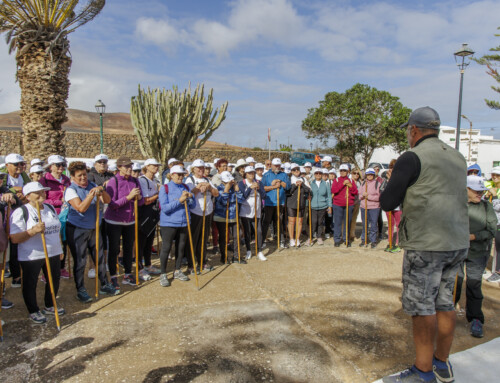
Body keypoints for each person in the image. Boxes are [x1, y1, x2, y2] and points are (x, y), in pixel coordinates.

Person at [380, 107, 469, 383]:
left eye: (408, 131)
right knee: (445, 303)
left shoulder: (412, 157)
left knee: (422, 307)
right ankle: (442, 364)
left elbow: (387, 202)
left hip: (427, 244)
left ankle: (422, 371)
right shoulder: (457, 157)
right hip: (456, 241)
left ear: (414, 130)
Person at [9, 182, 65, 324]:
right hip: (31, 255)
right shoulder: (22, 212)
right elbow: (14, 238)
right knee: (30, 283)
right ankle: (33, 310)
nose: (42, 194)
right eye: (38, 192)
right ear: (28, 196)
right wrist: (32, 231)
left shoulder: (50, 208)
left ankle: (50, 305)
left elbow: (56, 229)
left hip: (53, 252)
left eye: (43, 191)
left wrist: (60, 248)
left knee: (54, 280)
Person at [64, 162, 116, 301]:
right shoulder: (71, 190)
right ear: (73, 177)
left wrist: (102, 191)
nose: (83, 178)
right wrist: (91, 195)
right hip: (77, 229)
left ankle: (105, 284)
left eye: (84, 175)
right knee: (80, 261)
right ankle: (80, 289)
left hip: (94, 228)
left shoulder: (92, 185)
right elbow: (81, 208)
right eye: (79, 176)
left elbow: (107, 200)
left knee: (99, 257)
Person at [454, 175, 497, 338]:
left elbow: (492, 230)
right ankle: (447, 315)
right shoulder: (455, 206)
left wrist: (474, 237)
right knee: (454, 283)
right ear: (466, 190)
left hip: (478, 253)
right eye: (476, 191)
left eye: (482, 191)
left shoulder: (486, 207)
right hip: (457, 251)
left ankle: (476, 319)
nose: (480, 193)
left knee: (473, 284)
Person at [104, 156, 144, 290]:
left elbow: (141, 201)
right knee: (114, 249)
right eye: (126, 166)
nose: (129, 168)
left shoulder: (135, 181)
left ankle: (127, 274)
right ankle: (114, 276)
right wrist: (129, 197)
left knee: (128, 249)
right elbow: (112, 204)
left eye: (130, 166)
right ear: (119, 167)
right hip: (113, 221)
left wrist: (138, 198)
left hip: (130, 220)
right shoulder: (112, 181)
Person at [158, 165, 196, 287]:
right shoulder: (165, 188)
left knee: (181, 248)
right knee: (166, 248)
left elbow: (193, 206)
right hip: (168, 223)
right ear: (172, 175)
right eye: (178, 174)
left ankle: (177, 270)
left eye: (182, 175)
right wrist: (180, 200)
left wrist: (191, 197)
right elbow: (165, 208)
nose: (181, 177)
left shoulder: (185, 187)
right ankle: (163, 273)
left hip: (184, 222)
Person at [39, 155, 71, 279]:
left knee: (63, 242)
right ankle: (46, 272)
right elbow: (42, 199)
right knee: (50, 243)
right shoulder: (44, 180)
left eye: (62, 164)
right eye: (58, 165)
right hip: (51, 215)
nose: (61, 167)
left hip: (66, 215)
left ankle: (61, 268)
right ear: (51, 166)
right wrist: (60, 202)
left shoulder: (66, 179)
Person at [184, 159, 219, 273]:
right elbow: (189, 194)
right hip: (195, 212)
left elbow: (216, 193)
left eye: (202, 167)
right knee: (193, 239)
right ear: (193, 169)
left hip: (207, 212)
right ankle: (191, 264)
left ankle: (202, 262)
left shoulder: (207, 180)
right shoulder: (190, 180)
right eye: (198, 168)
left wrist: (209, 187)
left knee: (204, 238)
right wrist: (198, 187)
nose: (201, 169)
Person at [137, 159, 162, 281]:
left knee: (149, 241)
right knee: (141, 242)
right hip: (144, 214)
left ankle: (148, 264)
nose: (156, 167)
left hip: (153, 214)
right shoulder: (142, 180)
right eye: (154, 165)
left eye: (157, 166)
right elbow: (145, 200)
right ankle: (139, 269)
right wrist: (158, 194)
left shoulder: (155, 180)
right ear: (147, 166)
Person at [213, 171, 245, 264]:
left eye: (230, 181)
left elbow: (240, 200)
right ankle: (224, 256)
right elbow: (222, 201)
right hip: (221, 216)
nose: (229, 183)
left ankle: (236, 256)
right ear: (222, 181)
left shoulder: (234, 188)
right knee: (223, 237)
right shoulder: (218, 188)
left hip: (233, 215)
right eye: (226, 182)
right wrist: (226, 190)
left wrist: (237, 190)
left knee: (237, 235)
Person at [238, 166, 267, 261]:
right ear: (245, 174)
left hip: (257, 210)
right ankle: (248, 250)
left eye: (252, 173)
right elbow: (242, 196)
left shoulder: (259, 182)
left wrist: (258, 189)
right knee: (247, 232)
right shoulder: (241, 183)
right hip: (245, 211)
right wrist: (250, 188)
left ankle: (259, 251)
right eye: (249, 173)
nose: (251, 174)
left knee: (258, 231)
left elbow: (264, 196)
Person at [261, 158, 291, 249]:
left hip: (280, 202)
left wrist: (281, 182)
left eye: (279, 165)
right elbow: (262, 188)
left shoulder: (284, 175)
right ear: (271, 166)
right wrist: (273, 186)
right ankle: (261, 242)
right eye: (275, 165)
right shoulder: (266, 175)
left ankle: (282, 241)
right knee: (266, 222)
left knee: (279, 222)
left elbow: (288, 187)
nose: (277, 167)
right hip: (269, 203)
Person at [331, 164, 358, 247]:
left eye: (344, 170)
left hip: (348, 204)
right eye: (341, 170)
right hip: (338, 204)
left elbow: (355, 192)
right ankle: (337, 239)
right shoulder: (336, 180)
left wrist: (350, 186)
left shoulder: (351, 180)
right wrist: (343, 184)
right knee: (338, 223)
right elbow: (334, 190)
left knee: (347, 222)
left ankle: (346, 239)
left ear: (348, 171)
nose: (342, 172)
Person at [286, 164, 311, 247]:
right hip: (291, 203)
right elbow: (288, 192)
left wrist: (302, 184)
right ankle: (291, 239)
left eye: (297, 169)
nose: (296, 171)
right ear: (291, 171)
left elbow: (309, 190)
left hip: (301, 203)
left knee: (299, 222)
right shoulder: (289, 179)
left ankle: (297, 238)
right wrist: (294, 185)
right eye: (294, 170)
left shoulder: (303, 179)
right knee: (291, 221)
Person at [381, 160, 402, 253]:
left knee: (398, 224)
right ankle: (390, 242)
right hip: (389, 205)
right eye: (390, 167)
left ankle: (397, 243)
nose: (391, 169)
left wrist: (391, 181)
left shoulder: (400, 178)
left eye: (393, 167)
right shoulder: (385, 179)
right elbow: (382, 190)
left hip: (398, 205)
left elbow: (399, 190)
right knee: (390, 224)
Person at [485, 166, 500, 282]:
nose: (494, 177)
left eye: (497, 175)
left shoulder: (495, 190)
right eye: (493, 174)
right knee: (494, 249)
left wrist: (494, 196)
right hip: (492, 223)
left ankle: (498, 273)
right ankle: (495, 270)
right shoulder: (491, 187)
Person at [359, 168, 381, 249]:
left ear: (374, 175)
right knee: (365, 224)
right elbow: (359, 195)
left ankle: (373, 240)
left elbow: (379, 197)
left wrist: (369, 196)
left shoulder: (377, 184)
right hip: (364, 207)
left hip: (374, 207)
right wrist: (363, 195)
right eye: (368, 174)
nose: (370, 176)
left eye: (371, 174)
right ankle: (364, 239)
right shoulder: (363, 183)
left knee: (374, 224)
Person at [349, 168, 362, 243]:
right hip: (349, 202)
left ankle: (352, 234)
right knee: (347, 219)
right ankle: (346, 234)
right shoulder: (349, 181)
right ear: (351, 173)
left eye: (358, 173)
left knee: (354, 219)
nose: (356, 175)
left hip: (357, 203)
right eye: (354, 173)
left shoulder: (360, 182)